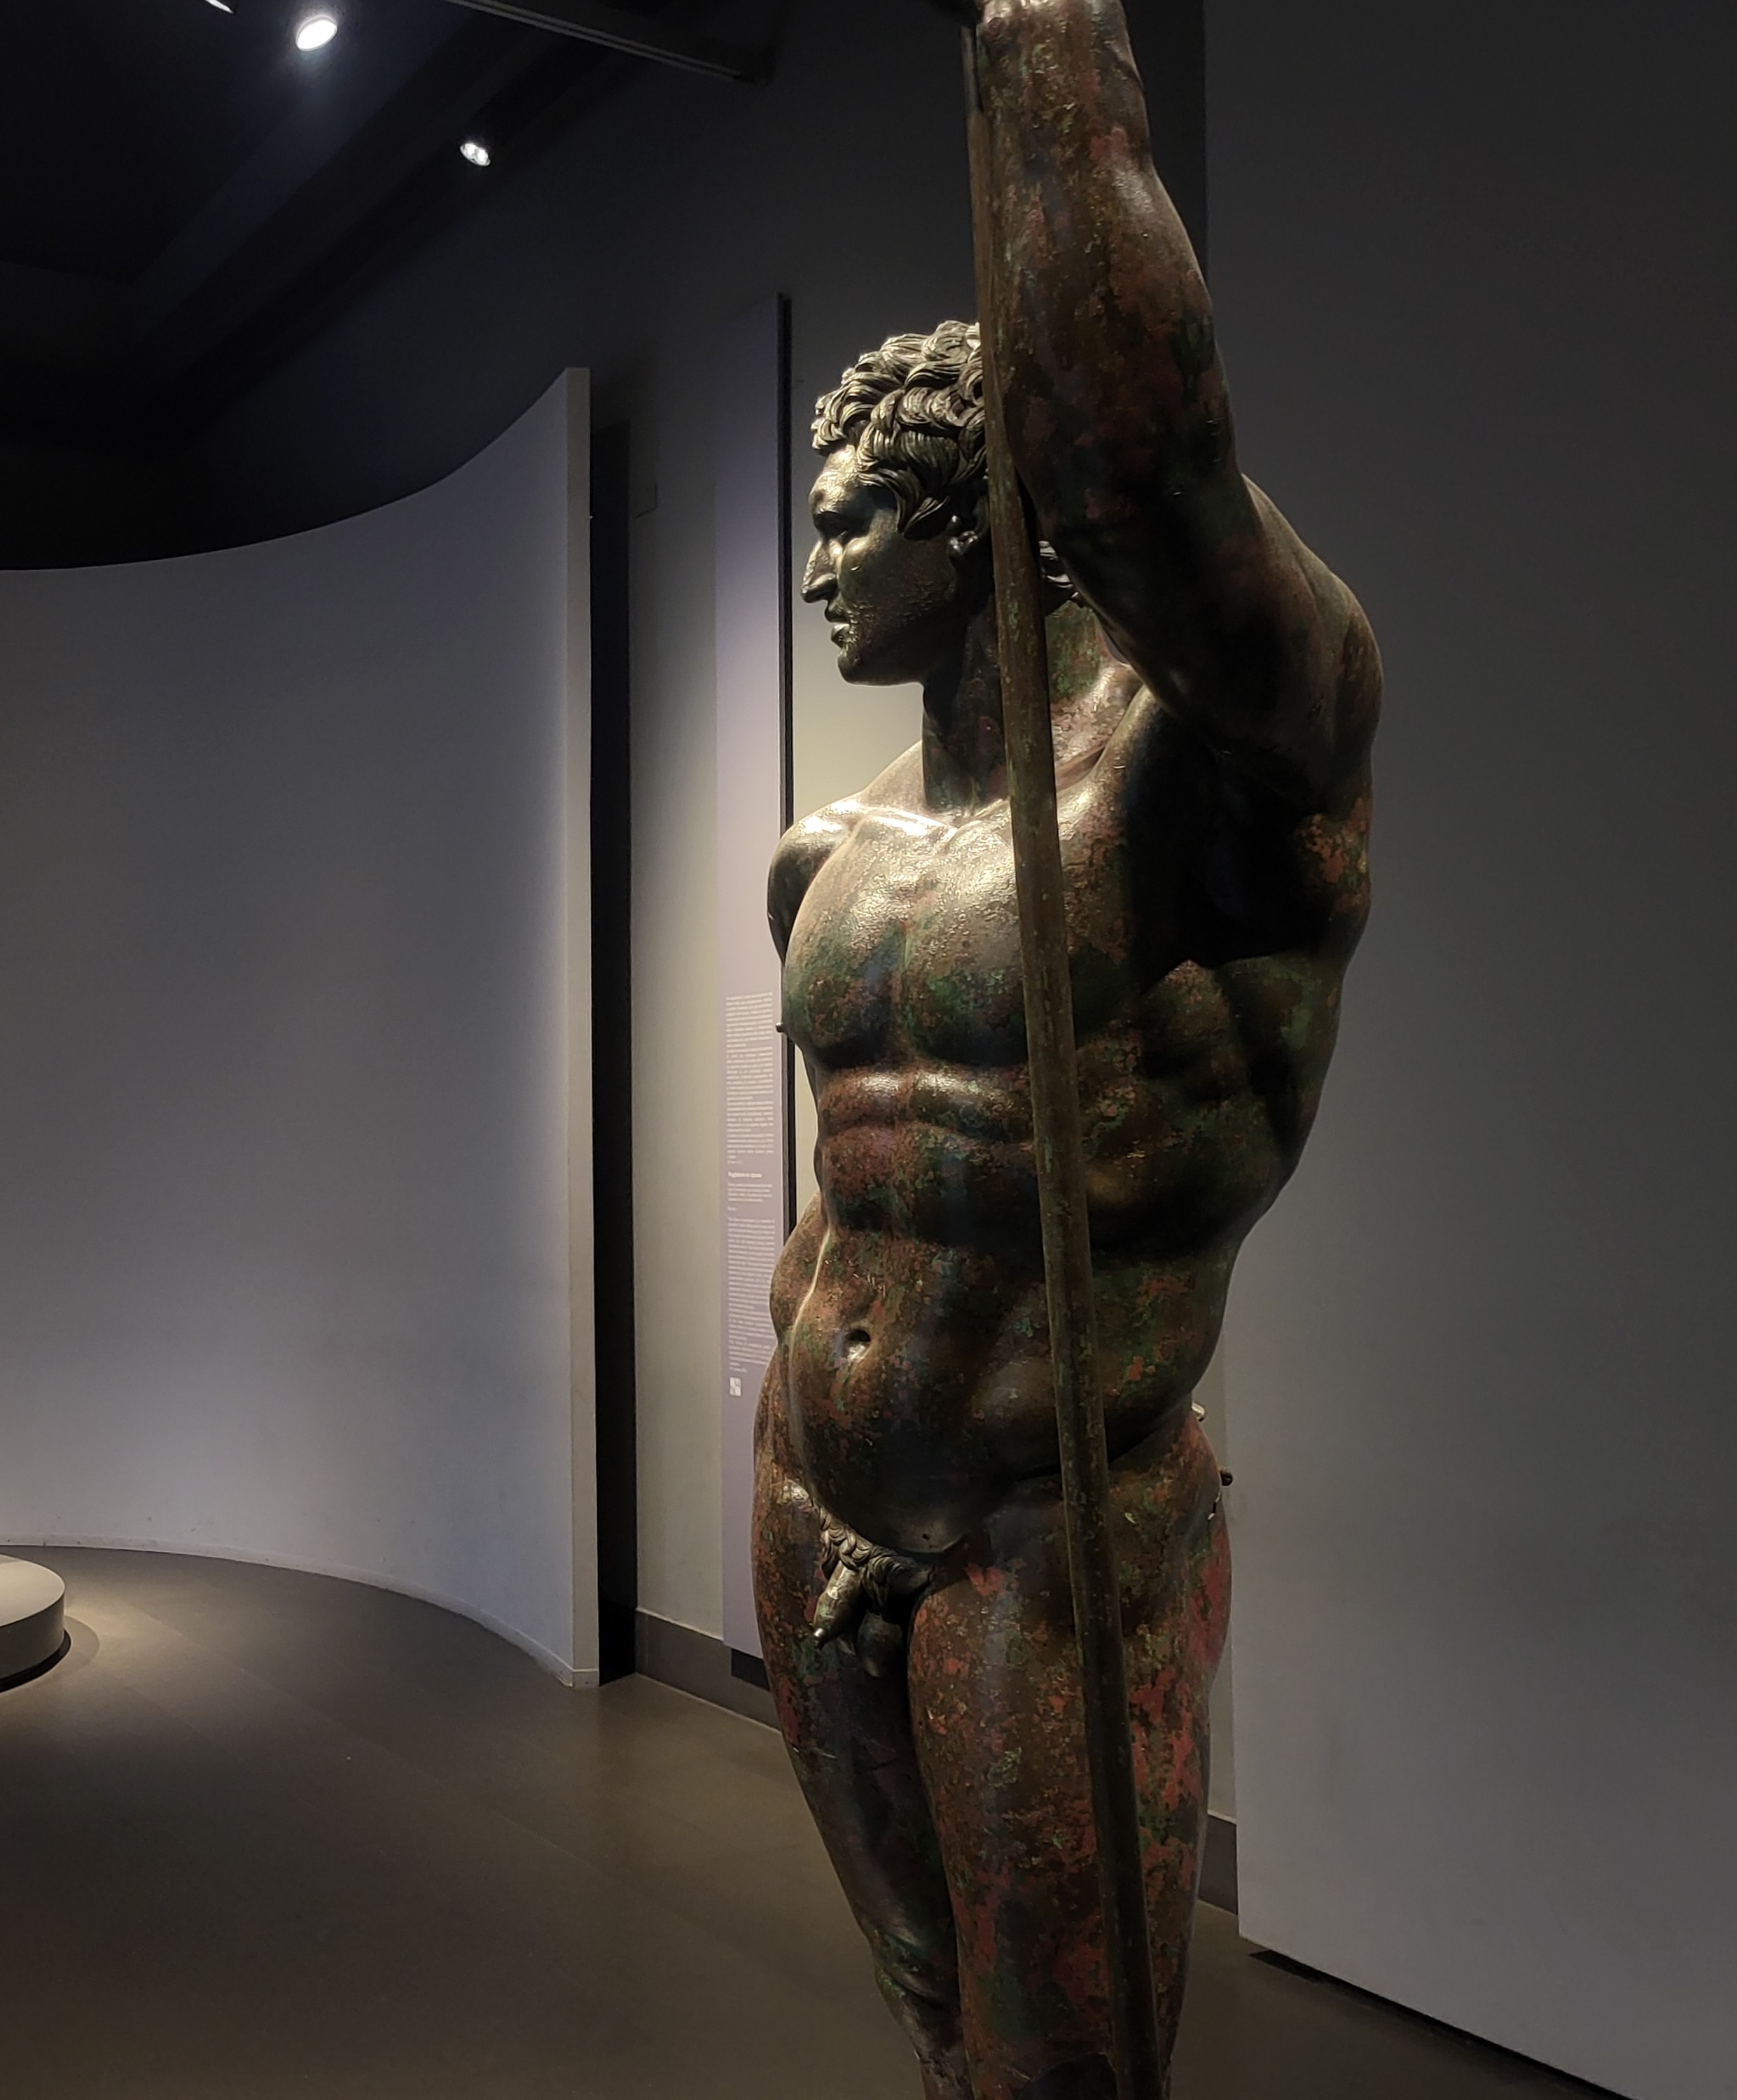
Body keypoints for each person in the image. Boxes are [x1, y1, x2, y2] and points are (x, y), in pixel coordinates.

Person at [754, 2, 1381, 2093]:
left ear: (982, 517)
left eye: (853, 517)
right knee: (933, 2013)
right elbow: (852, 1188)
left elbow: (1139, 469)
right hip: (815, 1487)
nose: (816, 563)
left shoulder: (1207, 779)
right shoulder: (825, 857)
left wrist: (1047, 54)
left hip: (1049, 1522)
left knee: (1060, 2064)